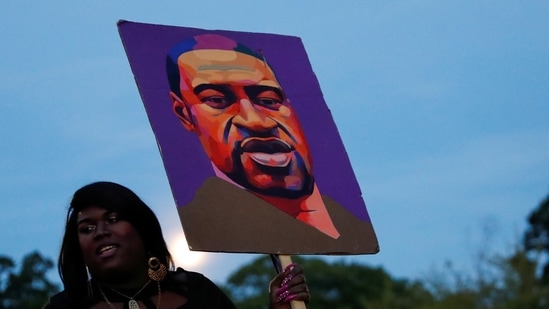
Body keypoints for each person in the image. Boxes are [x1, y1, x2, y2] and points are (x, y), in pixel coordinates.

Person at [166, 34, 341, 239]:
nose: (256, 121)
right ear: (184, 114)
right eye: (216, 100)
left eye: (268, 100)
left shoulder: (352, 227)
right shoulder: (210, 224)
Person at [43, 181, 310, 308]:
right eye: (86, 228)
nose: (100, 232)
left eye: (113, 219)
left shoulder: (197, 293)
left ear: (142, 227)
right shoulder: (62, 308)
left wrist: (280, 308)